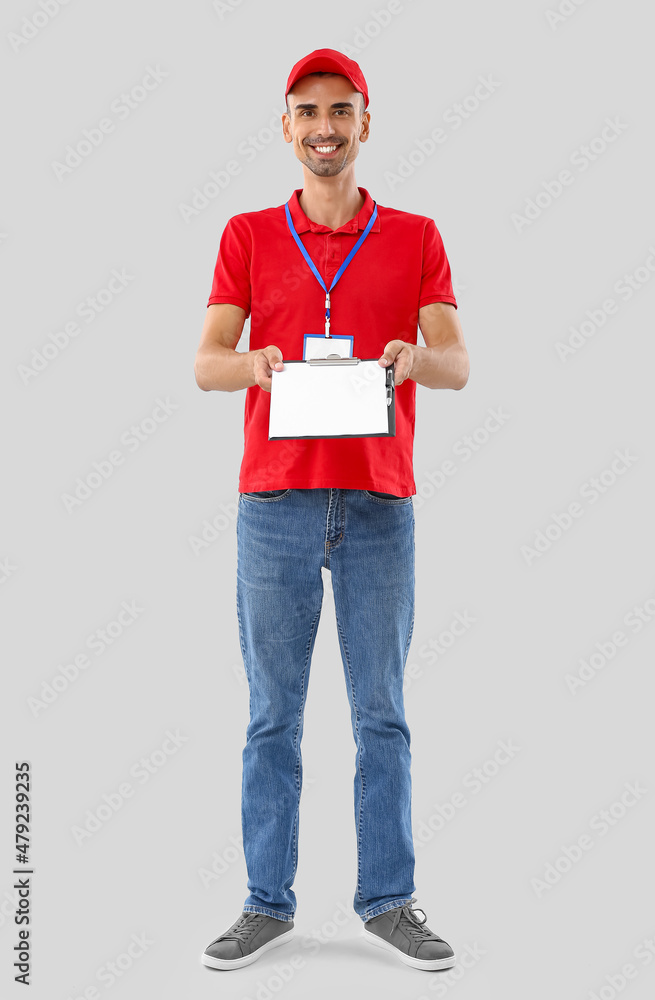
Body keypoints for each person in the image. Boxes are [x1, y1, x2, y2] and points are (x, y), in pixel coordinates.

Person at [196, 48, 469, 973]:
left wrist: (410, 356)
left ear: (364, 123)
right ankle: (265, 902)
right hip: (273, 504)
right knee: (272, 715)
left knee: (380, 714)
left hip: (379, 506)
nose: (324, 127)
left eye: (340, 111)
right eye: (307, 111)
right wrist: (256, 366)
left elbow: (457, 361)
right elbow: (206, 363)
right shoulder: (246, 235)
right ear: (285, 126)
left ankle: (386, 900)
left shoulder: (416, 235)